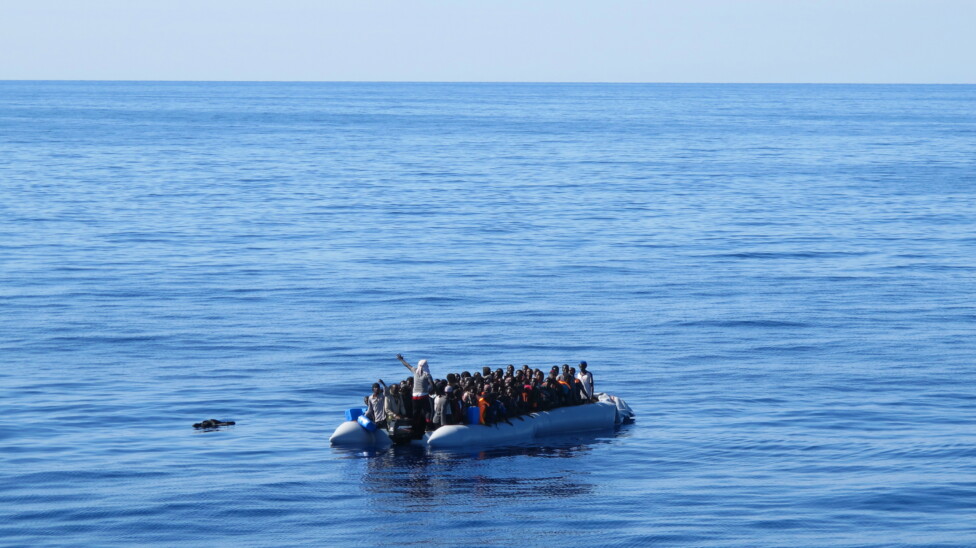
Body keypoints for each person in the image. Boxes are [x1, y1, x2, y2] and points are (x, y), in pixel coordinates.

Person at [397, 353, 435, 435]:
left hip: (414, 395)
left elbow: (407, 365)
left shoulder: (415, 371)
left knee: (416, 412)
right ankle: (428, 425)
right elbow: (432, 384)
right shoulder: (427, 374)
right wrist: (431, 390)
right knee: (427, 411)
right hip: (423, 394)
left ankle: (413, 428)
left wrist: (401, 359)